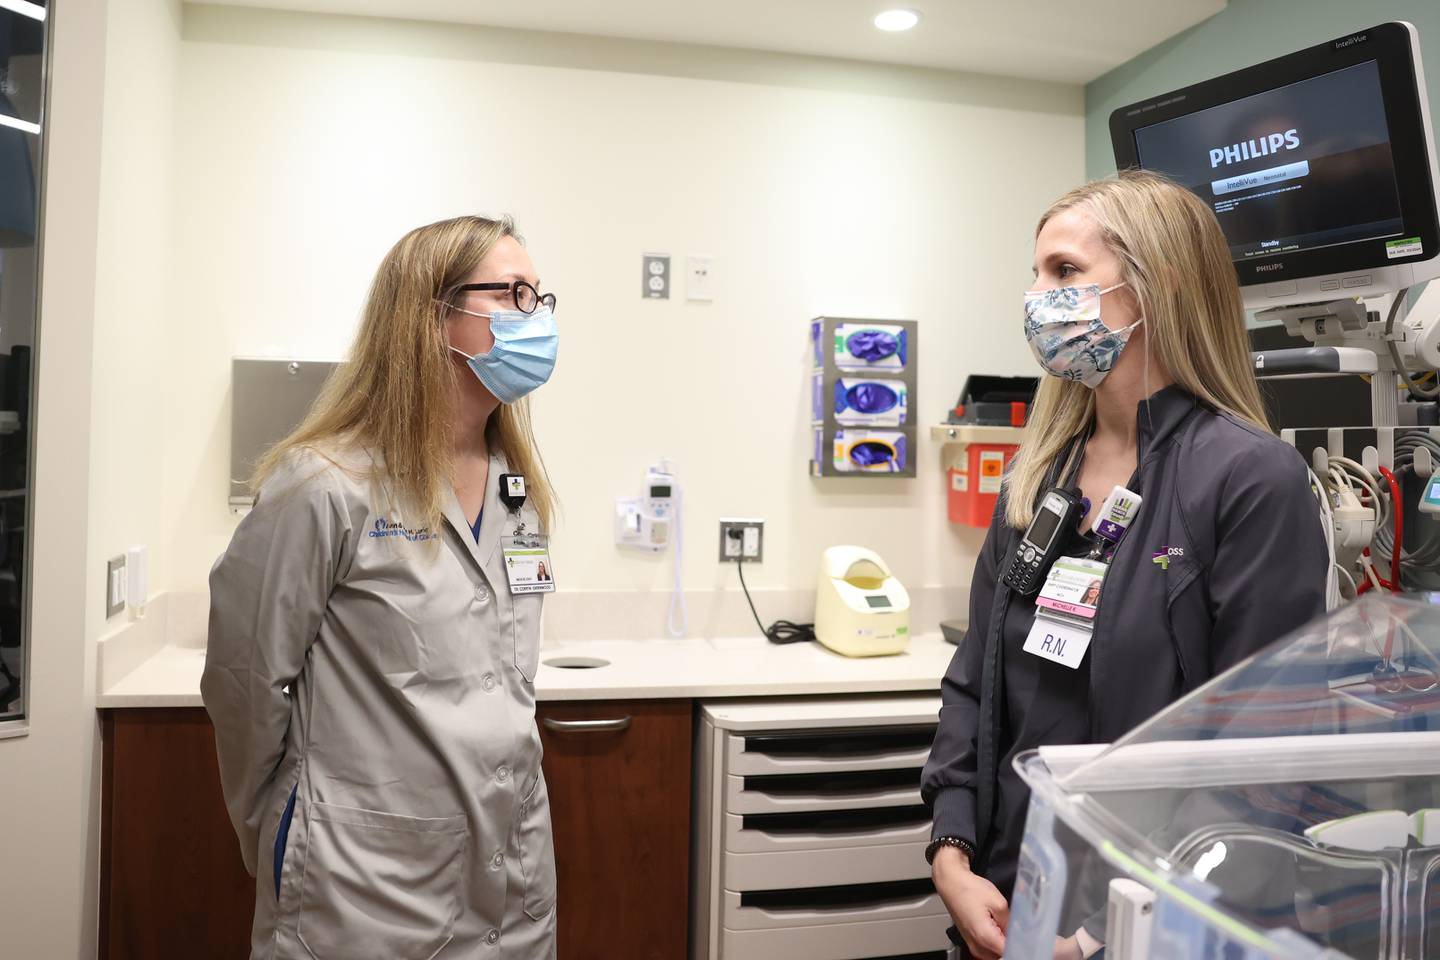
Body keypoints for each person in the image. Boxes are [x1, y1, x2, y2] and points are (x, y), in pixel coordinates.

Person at [922, 171, 1326, 960]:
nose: (1039, 297)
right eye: (1036, 274)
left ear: (1155, 288)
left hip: (1152, 921)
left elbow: (1259, 760)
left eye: (1065, 273)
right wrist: (952, 852)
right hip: (1008, 894)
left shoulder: (1248, 480)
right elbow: (974, 681)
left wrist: (1100, 933)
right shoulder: (1038, 476)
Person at [202, 215, 561, 959]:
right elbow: (244, 685)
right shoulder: (326, 486)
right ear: (435, 316)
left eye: (541, 298)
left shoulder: (516, 489)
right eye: (514, 296)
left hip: (512, 876)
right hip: (364, 886)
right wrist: (281, 826)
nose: (539, 319)